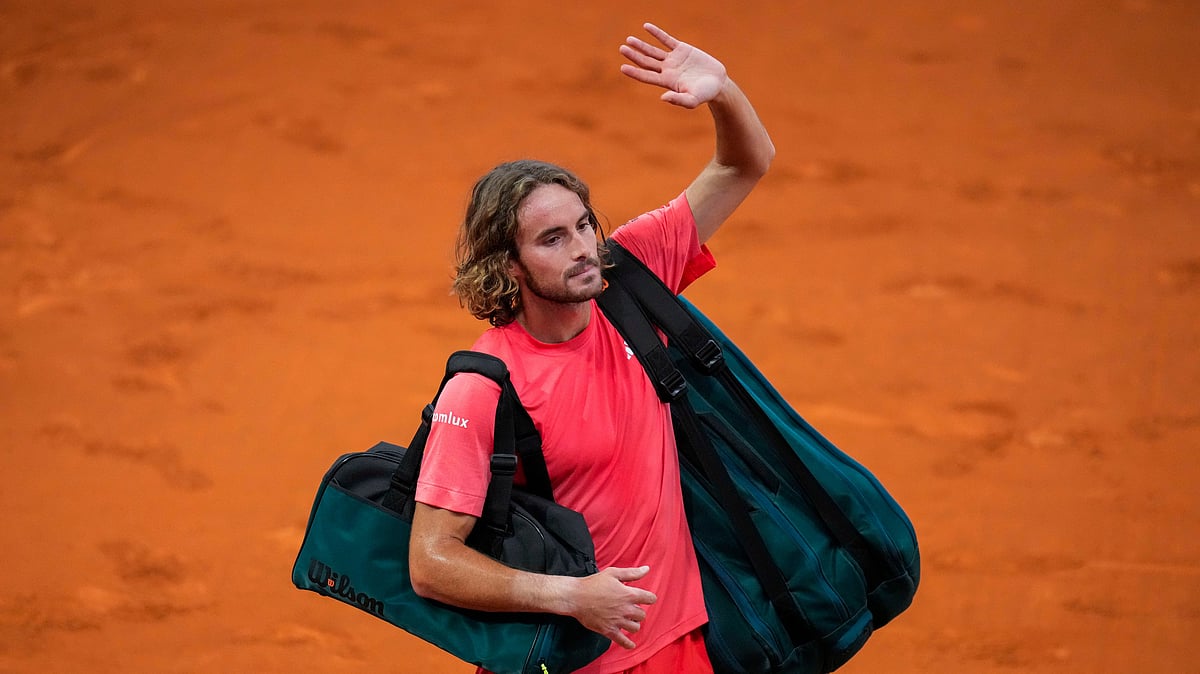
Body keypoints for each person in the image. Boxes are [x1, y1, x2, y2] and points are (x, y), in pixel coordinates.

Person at [408, 22, 774, 674]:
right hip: (579, 660)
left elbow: (744, 163)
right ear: (509, 267)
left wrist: (723, 94)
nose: (581, 248)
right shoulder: (484, 387)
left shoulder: (631, 278)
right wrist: (570, 595)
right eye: (551, 239)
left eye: (583, 224)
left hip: (682, 645)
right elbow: (431, 562)